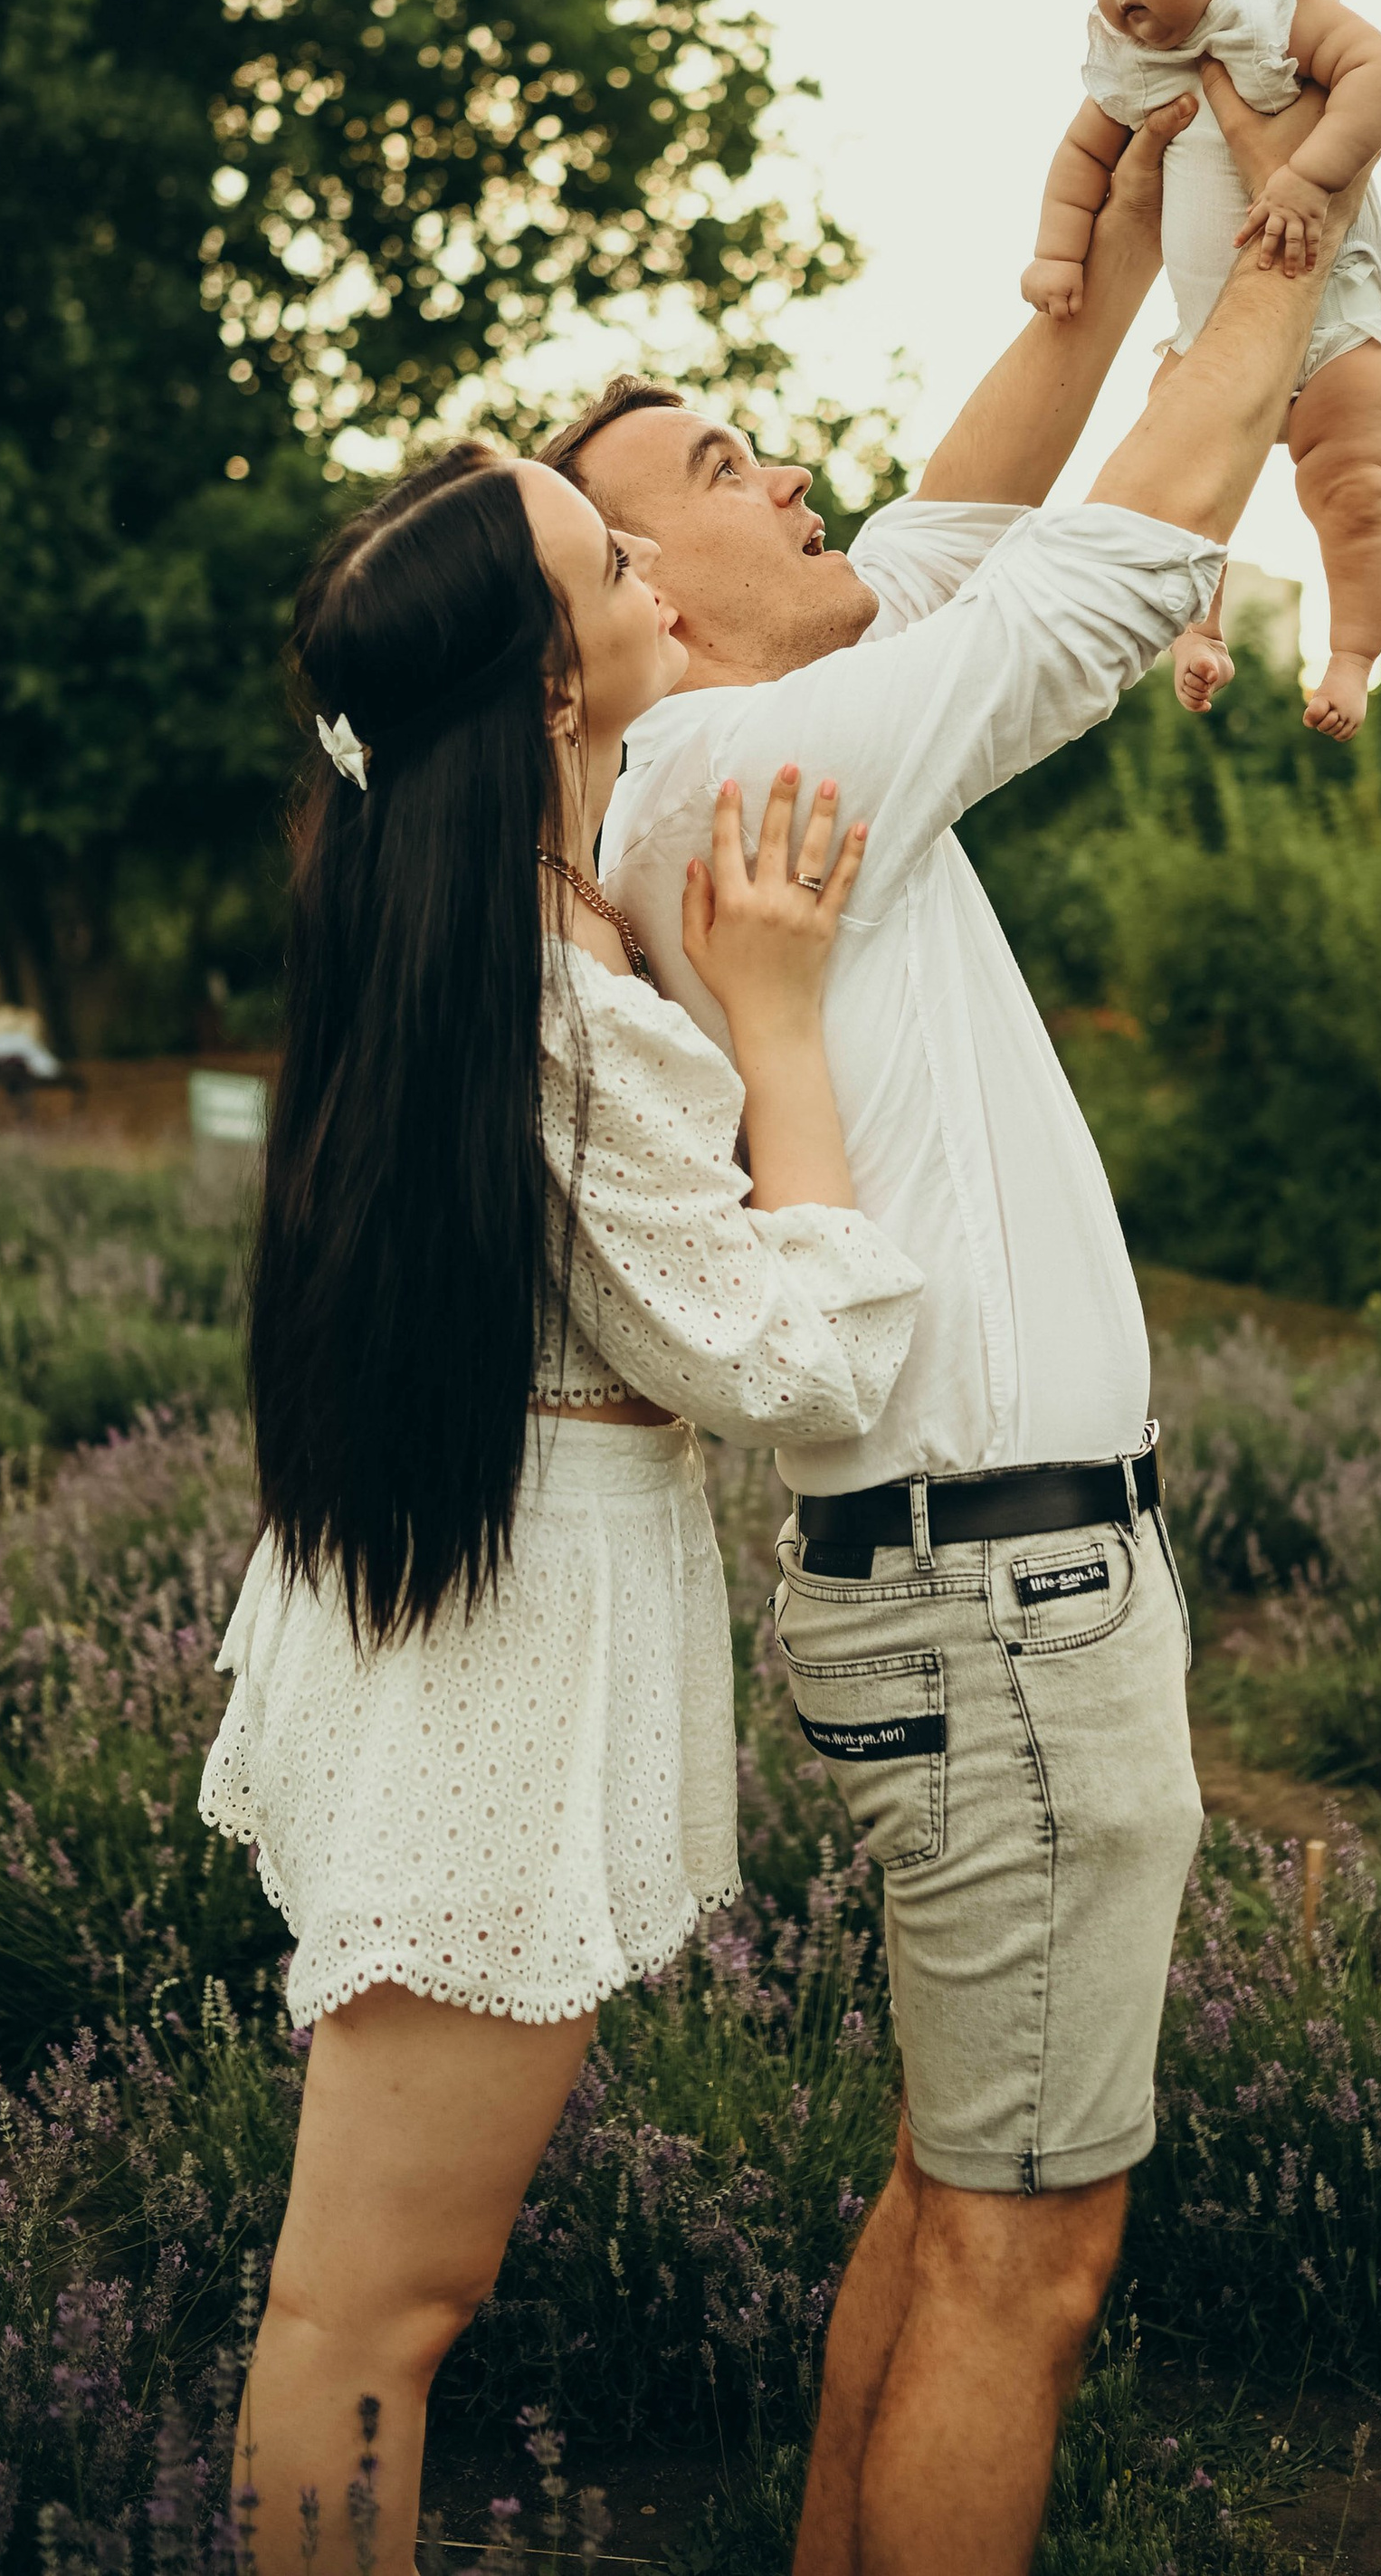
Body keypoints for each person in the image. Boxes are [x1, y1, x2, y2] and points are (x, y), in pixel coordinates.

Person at [549, 78, 1353, 2576]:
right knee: (1031, 2250)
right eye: (721, 461)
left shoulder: (728, 747)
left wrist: (1100, 222)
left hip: (971, 1585)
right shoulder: (746, 758)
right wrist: (1302, 219)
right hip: (1001, 1605)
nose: (786, 474)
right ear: (647, 587)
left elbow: (969, 517)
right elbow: (1100, 569)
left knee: (950, 2196)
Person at [196, 442, 924, 2575]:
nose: (647, 567)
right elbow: (793, 1358)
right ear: (546, 680)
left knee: (370, 2296)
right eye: (610, 553)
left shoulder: (484, 936)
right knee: (372, 2303)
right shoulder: (545, 1001)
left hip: (460, 1627)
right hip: (498, 1670)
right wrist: (778, 1031)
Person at [1025, 0, 1381, 736]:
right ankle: (1192, 634)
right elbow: (1082, 157)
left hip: (1331, 335)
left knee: (1354, 491)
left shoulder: (1279, 12)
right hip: (1204, 337)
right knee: (1172, 498)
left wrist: (1309, 178)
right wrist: (1055, 253)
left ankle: (1353, 656)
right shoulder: (1129, 65)